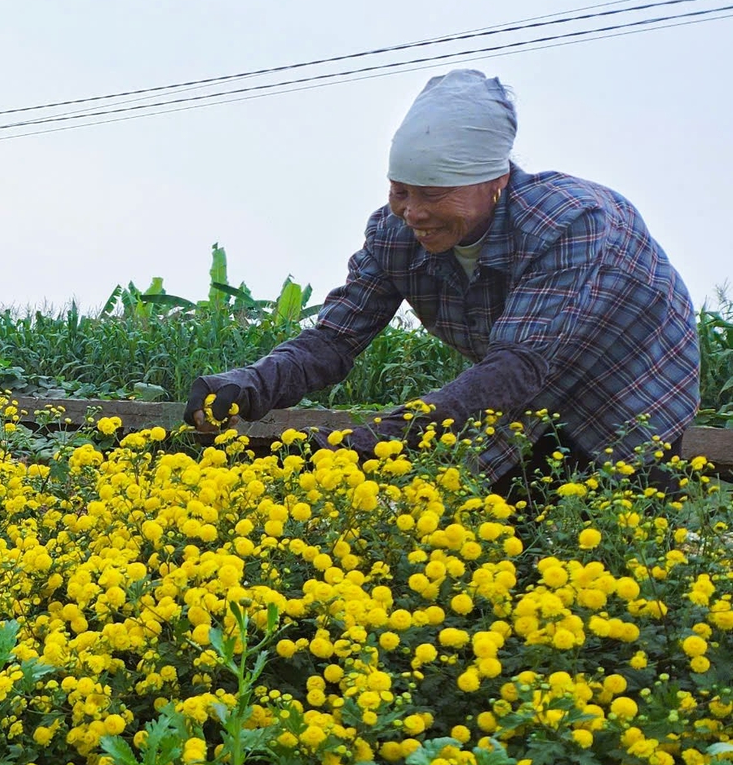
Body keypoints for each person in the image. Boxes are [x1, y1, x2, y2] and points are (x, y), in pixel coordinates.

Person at [185, 69, 698, 492]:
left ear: (495, 183)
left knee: (618, 539)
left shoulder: (570, 222)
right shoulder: (394, 236)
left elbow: (516, 366)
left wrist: (373, 442)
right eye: (400, 191)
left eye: (434, 194)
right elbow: (334, 339)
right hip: (520, 395)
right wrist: (247, 385)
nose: (414, 213)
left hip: (628, 384)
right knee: (510, 544)